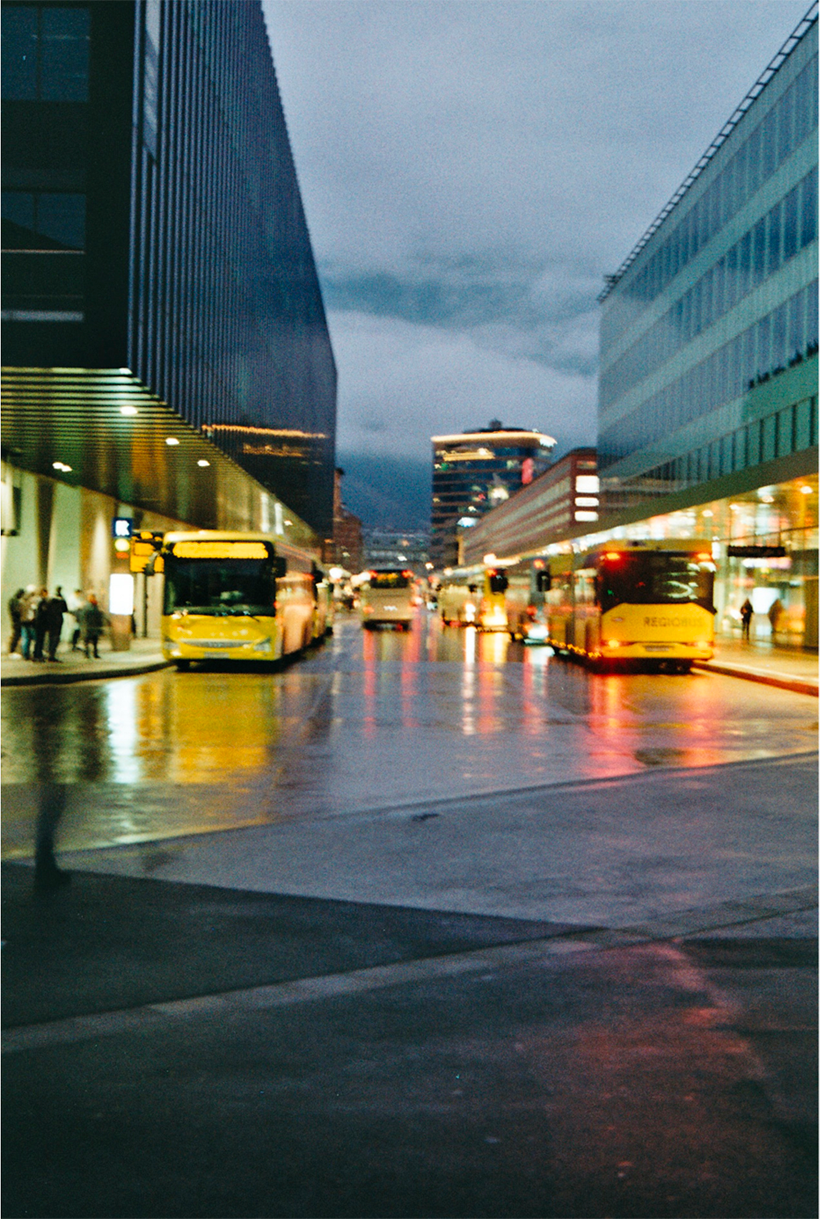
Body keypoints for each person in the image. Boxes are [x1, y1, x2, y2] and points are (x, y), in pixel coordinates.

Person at [79, 593, 106, 658]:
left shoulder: (93, 606)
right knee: (88, 641)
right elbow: (84, 616)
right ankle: (88, 653)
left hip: (92, 626)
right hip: (89, 626)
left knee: (93, 641)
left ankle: (92, 653)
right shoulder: (89, 606)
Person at [46, 586, 69, 661]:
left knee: (51, 636)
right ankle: (52, 653)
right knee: (56, 637)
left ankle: (49, 652)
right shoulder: (62, 600)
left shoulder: (50, 600)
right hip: (58, 619)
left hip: (51, 620)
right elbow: (65, 609)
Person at [19, 586, 38, 659]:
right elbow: (32, 613)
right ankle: (35, 653)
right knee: (35, 638)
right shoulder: (31, 603)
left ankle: (25, 654)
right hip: (30, 623)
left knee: (25, 638)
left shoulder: (21, 602)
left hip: (23, 621)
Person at [32, 587, 50, 661]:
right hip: (41, 624)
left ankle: (37, 654)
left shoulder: (38, 601)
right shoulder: (42, 602)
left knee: (39, 640)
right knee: (40, 640)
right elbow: (42, 613)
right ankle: (38, 655)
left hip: (38, 623)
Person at [7, 588, 24, 655]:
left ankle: (12, 649)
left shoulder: (12, 600)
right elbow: (16, 611)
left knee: (16, 634)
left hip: (14, 620)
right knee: (16, 635)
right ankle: (12, 649)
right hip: (17, 620)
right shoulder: (15, 601)